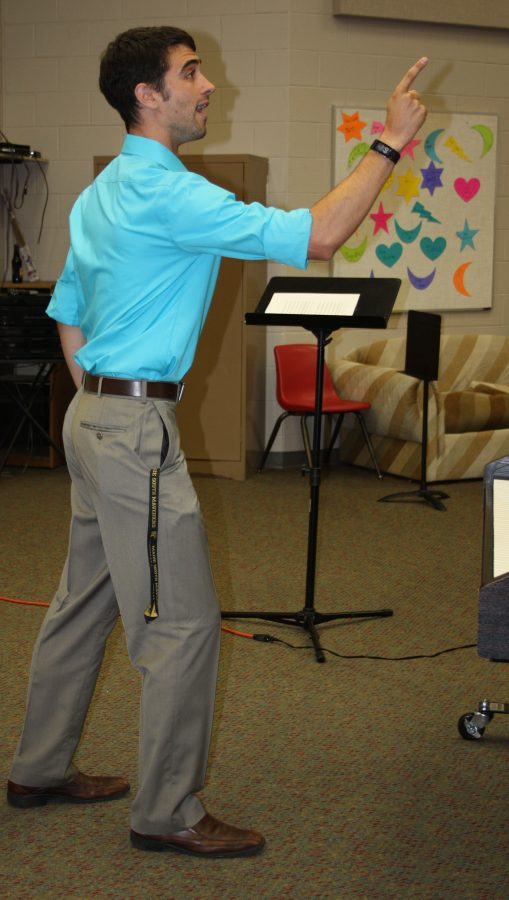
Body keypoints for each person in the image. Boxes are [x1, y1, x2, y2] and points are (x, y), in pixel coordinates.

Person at [7, 26, 428, 858]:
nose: (208, 87)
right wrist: (390, 142)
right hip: (130, 434)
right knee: (184, 626)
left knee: (81, 606)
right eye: (190, 74)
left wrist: (100, 393)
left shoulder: (101, 192)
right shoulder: (170, 194)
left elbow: (67, 315)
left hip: (91, 417)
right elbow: (318, 236)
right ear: (147, 96)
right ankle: (166, 812)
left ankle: (40, 767)